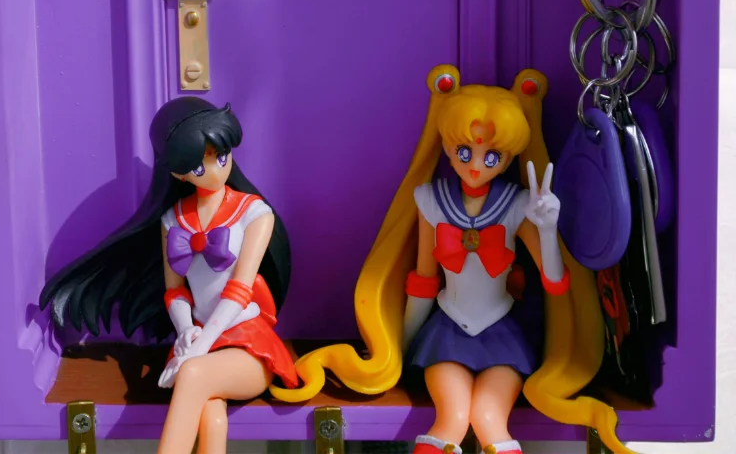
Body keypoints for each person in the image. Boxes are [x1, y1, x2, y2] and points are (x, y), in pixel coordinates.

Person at [270, 65, 634, 454]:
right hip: (445, 333)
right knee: (452, 418)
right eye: (465, 152)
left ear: (508, 159)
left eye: (491, 156)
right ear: (447, 147)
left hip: (502, 334)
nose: (475, 164)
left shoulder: (517, 205)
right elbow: (424, 281)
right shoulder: (431, 201)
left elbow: (555, 283)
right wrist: (400, 348)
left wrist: (546, 229)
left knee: (490, 419)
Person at [39, 97, 295, 454]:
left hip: (248, 342)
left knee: (192, 374)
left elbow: (239, 290)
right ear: (178, 173)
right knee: (211, 418)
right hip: (199, 340)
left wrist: (199, 348)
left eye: (221, 157)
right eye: (200, 166)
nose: (215, 171)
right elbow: (175, 291)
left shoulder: (254, 214)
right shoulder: (173, 220)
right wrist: (186, 330)